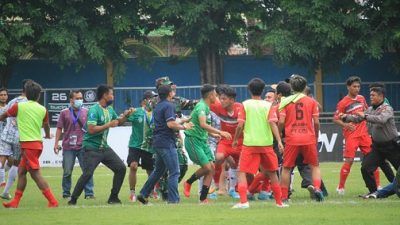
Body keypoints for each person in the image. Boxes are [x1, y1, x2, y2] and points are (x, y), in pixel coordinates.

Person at [68, 85, 134, 205]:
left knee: (121, 168)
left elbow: (118, 122)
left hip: (104, 148)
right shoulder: (94, 109)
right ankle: (73, 199)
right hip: (91, 148)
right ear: (104, 95)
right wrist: (108, 124)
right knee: (88, 173)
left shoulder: (109, 109)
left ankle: (113, 197)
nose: (113, 96)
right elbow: (91, 129)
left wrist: (126, 115)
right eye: (111, 94)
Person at [1, 80, 58, 208]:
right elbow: (46, 125)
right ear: (38, 95)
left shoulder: (19, 106)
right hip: (36, 144)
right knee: (21, 172)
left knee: (35, 174)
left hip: (28, 145)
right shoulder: (43, 109)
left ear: (25, 94)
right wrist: (48, 135)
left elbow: (4, 115)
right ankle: (15, 202)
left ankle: (53, 201)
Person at [232, 78, 286, 209]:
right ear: (262, 90)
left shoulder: (245, 104)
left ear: (249, 90)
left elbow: (240, 125)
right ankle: (279, 203)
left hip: (250, 144)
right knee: (272, 173)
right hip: (266, 144)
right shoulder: (269, 106)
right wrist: (279, 140)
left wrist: (235, 139)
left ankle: (244, 202)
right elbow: (273, 123)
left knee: (241, 172)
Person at [137, 85, 193, 204]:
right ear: (169, 94)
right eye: (172, 91)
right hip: (167, 142)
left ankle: (143, 194)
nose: (174, 93)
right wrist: (184, 127)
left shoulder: (158, 106)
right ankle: (173, 200)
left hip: (158, 142)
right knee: (175, 172)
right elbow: (170, 124)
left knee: (158, 170)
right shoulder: (169, 105)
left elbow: (169, 121)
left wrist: (183, 120)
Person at [340, 85, 400, 196]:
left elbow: (381, 119)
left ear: (381, 96)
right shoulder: (371, 109)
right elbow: (359, 118)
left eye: (373, 95)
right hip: (377, 147)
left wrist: (365, 116)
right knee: (365, 168)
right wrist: (346, 117)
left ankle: (395, 188)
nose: (370, 97)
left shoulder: (387, 108)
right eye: (370, 95)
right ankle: (373, 192)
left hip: (392, 146)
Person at [183, 84, 231, 203]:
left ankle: (203, 199)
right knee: (207, 167)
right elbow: (203, 124)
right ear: (210, 96)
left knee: (211, 168)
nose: (217, 97)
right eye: (215, 94)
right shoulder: (202, 107)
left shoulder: (205, 107)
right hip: (193, 140)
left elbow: (200, 126)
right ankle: (188, 182)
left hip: (202, 141)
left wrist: (213, 134)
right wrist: (220, 132)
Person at [279, 75, 324, 202]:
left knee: (286, 168)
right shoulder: (311, 102)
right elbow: (316, 122)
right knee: (314, 165)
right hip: (308, 138)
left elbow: (281, 121)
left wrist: (280, 134)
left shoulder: (285, 101)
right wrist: (315, 136)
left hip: (292, 138)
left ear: (291, 87)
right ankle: (317, 189)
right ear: (305, 87)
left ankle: (283, 196)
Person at [333, 76, 379, 195]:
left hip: (364, 134)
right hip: (351, 135)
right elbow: (335, 119)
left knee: (373, 159)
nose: (357, 89)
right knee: (349, 160)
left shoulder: (361, 98)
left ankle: (378, 186)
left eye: (358, 86)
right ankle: (341, 187)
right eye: (354, 86)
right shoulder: (343, 102)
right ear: (348, 87)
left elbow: (366, 112)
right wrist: (345, 125)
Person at [53, 90, 95, 200]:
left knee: (87, 171)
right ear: (71, 99)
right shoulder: (64, 112)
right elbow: (59, 128)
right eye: (77, 98)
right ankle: (66, 193)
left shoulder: (87, 111)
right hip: (68, 147)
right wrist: (56, 143)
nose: (80, 100)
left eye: (81, 98)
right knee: (67, 171)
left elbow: (91, 128)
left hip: (83, 146)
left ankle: (89, 193)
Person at [210, 85, 243, 199]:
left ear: (232, 100)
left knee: (239, 167)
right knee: (218, 158)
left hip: (240, 142)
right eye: (220, 98)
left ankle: (233, 189)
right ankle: (217, 186)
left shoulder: (240, 108)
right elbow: (204, 105)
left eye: (224, 98)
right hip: (225, 141)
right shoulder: (217, 107)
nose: (221, 101)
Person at [0, 80, 29, 200]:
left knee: (2, 160)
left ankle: (4, 189)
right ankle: (5, 192)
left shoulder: (13, 101)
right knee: (16, 164)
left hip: (6, 134)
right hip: (19, 137)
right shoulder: (30, 103)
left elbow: (5, 114)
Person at [127, 90, 156, 202]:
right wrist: (126, 113)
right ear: (145, 100)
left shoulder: (156, 112)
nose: (154, 101)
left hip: (149, 146)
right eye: (152, 98)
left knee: (150, 170)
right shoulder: (136, 111)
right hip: (135, 145)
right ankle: (132, 192)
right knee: (133, 166)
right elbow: (124, 119)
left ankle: (150, 190)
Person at [0, 88, 9, 187]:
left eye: (4, 95)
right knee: (1, 159)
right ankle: (2, 181)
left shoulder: (9, 108)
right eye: (1, 95)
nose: (3, 96)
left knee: (11, 161)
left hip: (8, 138)